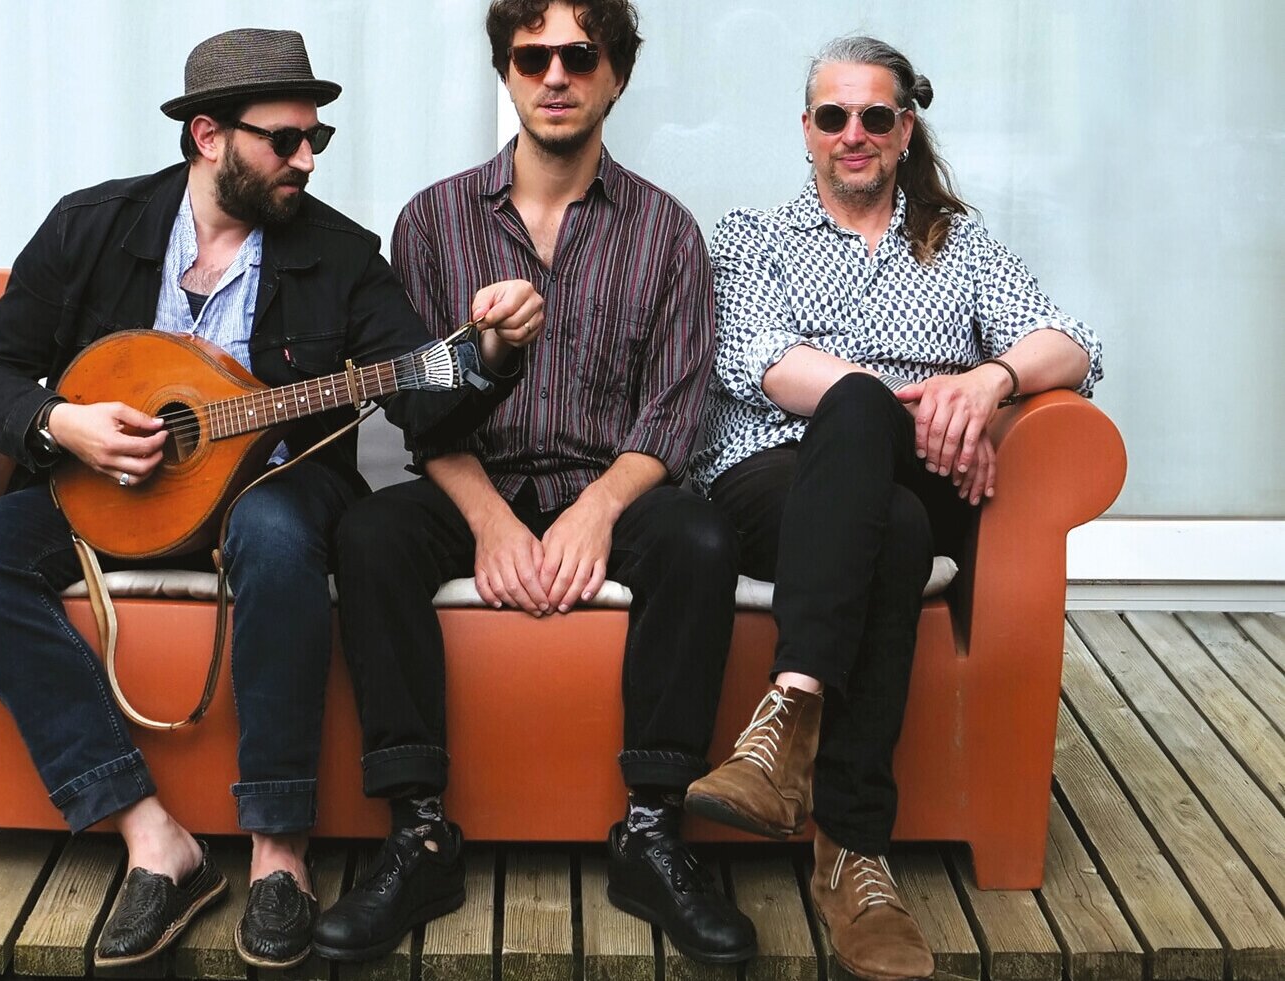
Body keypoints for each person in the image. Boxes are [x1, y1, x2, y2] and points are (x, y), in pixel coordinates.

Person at [0, 28, 531, 971]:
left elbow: (421, 393)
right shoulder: (92, 227)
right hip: (109, 494)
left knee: (276, 527)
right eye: (283, 140)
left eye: (315, 139)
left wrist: (489, 353)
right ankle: (149, 834)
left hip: (273, 493)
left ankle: (278, 852)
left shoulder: (340, 254)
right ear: (208, 136)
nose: (307, 159)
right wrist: (64, 424)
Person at [312, 0, 756, 966]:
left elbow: (672, 413)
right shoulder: (432, 222)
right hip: (476, 476)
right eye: (532, 57)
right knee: (370, 535)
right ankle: (419, 833)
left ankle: (652, 830)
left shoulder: (668, 232)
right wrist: (490, 522)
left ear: (617, 74)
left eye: (580, 56)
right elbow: (418, 408)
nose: (556, 76)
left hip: (610, 481)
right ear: (506, 71)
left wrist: (597, 511)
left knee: (699, 538)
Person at [684, 35, 1104, 981]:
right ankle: (855, 856)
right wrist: (908, 410)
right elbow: (762, 362)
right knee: (893, 513)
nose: (855, 133)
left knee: (892, 491)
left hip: (913, 476)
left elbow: (1074, 343)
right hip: (774, 474)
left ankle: (786, 721)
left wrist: (991, 379)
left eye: (876, 115)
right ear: (807, 129)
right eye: (834, 116)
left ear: (905, 128)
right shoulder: (752, 237)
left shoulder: (958, 243)